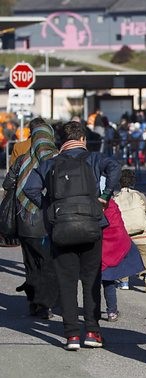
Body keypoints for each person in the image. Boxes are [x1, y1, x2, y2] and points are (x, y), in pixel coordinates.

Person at [23, 120, 121, 350]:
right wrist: (105, 195)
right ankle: (93, 332)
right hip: (91, 226)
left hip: (61, 228)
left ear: (61, 141)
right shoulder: (94, 159)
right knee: (91, 281)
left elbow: (30, 188)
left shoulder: (50, 163)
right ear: (83, 139)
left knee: (66, 282)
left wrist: (50, 208)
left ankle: (72, 336)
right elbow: (115, 168)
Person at [3, 122, 59, 319]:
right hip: (47, 222)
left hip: (24, 221)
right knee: (48, 264)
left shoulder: (22, 160)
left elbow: (7, 182)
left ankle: (33, 303)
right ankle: (45, 305)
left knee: (31, 264)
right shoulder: (56, 159)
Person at [101, 198, 145, 322]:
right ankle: (112, 311)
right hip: (115, 244)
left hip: (99, 246)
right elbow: (118, 224)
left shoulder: (89, 202)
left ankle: (93, 311)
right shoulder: (111, 205)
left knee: (95, 282)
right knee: (109, 280)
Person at [113, 169, 146, 293]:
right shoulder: (139, 195)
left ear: (119, 183)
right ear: (133, 182)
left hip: (124, 235)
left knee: (123, 257)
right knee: (144, 255)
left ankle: (124, 282)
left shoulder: (116, 198)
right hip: (141, 233)